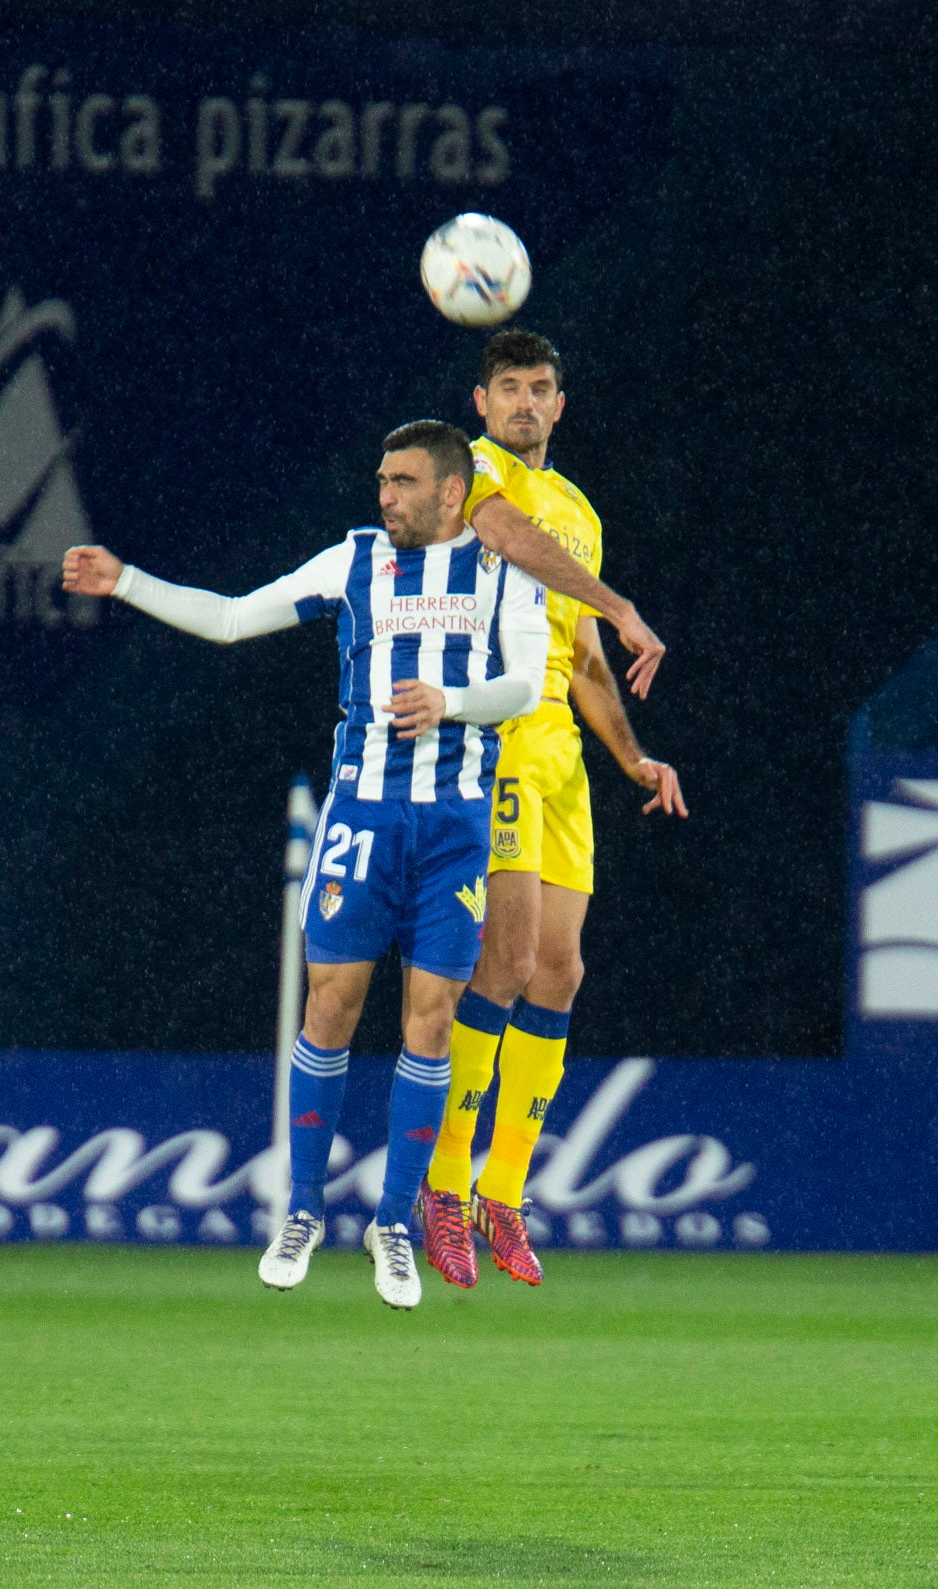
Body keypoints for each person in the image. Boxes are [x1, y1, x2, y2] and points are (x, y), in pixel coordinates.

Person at [62, 419, 546, 1308]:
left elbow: (524, 683)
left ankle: (393, 1224)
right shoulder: (351, 560)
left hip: (453, 827)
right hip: (360, 817)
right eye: (379, 479)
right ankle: (303, 1209)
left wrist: (451, 703)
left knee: (431, 1018)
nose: (383, 496)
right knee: (332, 1002)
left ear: (449, 491)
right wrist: (123, 580)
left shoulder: (500, 567)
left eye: (400, 481)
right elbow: (235, 618)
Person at [415, 328, 686, 1290]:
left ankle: (503, 1192)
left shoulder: (578, 509)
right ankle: (440, 1186)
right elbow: (505, 541)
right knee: (507, 955)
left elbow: (580, 659)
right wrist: (619, 601)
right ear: (481, 403)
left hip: (561, 756)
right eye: (508, 388)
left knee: (561, 972)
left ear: (560, 406)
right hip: (489, 742)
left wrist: (633, 756)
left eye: (540, 388)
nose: (524, 402)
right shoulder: (467, 475)